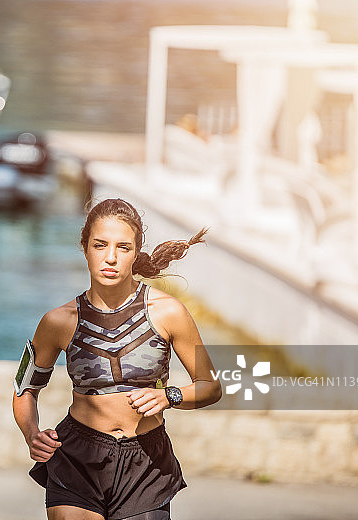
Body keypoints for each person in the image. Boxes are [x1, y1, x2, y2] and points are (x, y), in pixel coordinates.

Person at [12, 198, 222, 520]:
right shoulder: (58, 321)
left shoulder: (169, 313)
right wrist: (31, 433)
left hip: (147, 462)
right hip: (76, 457)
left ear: (136, 252)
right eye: (100, 245)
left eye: (123, 248)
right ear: (85, 248)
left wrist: (170, 396)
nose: (110, 258)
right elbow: (24, 389)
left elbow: (210, 387)